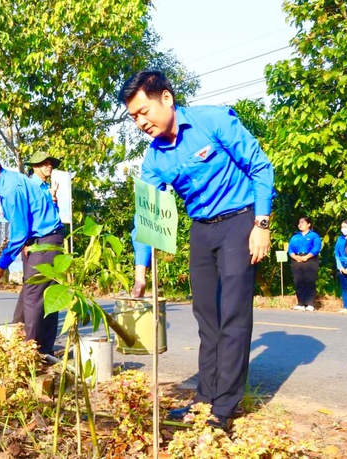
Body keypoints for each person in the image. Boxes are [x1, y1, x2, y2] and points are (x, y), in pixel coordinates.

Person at [118, 70, 274, 431]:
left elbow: (260, 167)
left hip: (239, 221)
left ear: (166, 99)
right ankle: (204, 399)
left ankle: (224, 407)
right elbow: (148, 213)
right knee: (207, 318)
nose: (141, 122)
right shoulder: (155, 158)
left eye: (144, 112)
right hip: (201, 231)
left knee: (233, 315)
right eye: (134, 118)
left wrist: (261, 225)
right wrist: (141, 271)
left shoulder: (213, 121)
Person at [0, 151, 64, 355]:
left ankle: (31, 353)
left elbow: (19, 232)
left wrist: (1, 264)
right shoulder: (9, 182)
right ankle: (29, 344)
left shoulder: (10, 188)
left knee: (34, 297)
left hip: (46, 240)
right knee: (38, 295)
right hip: (41, 240)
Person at [12, 152, 62, 324]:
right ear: (34, 167)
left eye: (50, 163)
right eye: (44, 163)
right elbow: (22, 215)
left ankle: (18, 329)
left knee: (43, 288)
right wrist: (25, 242)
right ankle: (29, 340)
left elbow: (46, 215)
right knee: (35, 293)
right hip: (37, 243)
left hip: (51, 241)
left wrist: (53, 198)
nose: (49, 166)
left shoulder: (45, 188)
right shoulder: (30, 186)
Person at [288, 217, 322, 312]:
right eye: (299, 222)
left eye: (302, 222)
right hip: (296, 260)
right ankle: (301, 303)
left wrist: (306, 257)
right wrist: (295, 257)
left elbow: (316, 248)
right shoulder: (295, 236)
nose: (300, 224)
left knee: (309, 281)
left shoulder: (314, 236)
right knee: (298, 281)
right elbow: (290, 249)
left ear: (309, 224)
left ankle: (310, 303)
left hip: (310, 260)